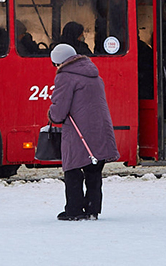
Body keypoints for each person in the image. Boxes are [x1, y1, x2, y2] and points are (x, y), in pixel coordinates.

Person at [48, 43, 119, 221]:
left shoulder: (65, 77)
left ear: (59, 62)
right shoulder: (94, 74)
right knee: (94, 170)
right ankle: (92, 209)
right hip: (101, 128)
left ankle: (74, 210)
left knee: (72, 169)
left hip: (79, 131)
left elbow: (59, 111)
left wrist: (51, 114)